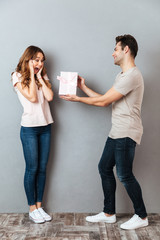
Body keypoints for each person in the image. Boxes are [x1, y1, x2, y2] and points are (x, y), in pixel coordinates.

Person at [60, 34, 148, 230]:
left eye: (116, 49)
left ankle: (141, 216)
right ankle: (109, 213)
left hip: (127, 132)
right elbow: (106, 98)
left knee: (124, 175)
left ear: (126, 50)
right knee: (104, 168)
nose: (113, 53)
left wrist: (77, 99)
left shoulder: (133, 75)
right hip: (117, 131)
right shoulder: (122, 76)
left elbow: (104, 102)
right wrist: (83, 87)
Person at [12, 46, 54, 224]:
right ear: (28, 59)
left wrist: (39, 77)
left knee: (42, 169)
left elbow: (50, 97)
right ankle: (31, 209)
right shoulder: (17, 76)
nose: (40, 63)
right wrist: (30, 72)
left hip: (45, 127)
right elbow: (32, 97)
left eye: (41, 60)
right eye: (36, 59)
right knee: (32, 168)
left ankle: (39, 206)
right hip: (29, 129)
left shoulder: (41, 76)